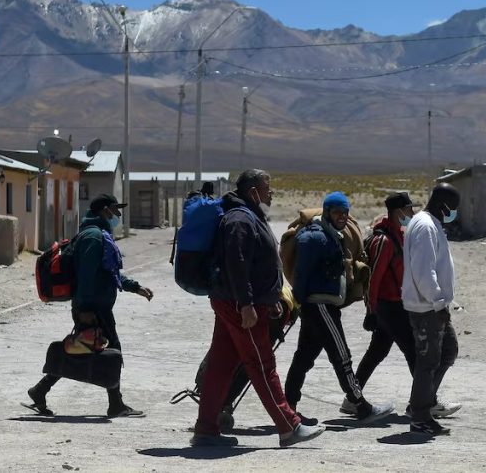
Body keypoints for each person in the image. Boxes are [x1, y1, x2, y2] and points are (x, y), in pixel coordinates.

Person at [191, 169, 324, 447]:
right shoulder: (240, 220)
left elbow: (257, 265)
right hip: (238, 305)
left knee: (221, 365)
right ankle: (289, 426)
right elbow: (237, 265)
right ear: (253, 192)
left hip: (235, 302)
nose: (271, 193)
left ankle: (206, 429)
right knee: (261, 364)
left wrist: (270, 298)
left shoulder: (248, 216)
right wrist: (246, 304)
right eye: (267, 188)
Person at [27, 194, 153, 418]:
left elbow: (109, 272)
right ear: (104, 210)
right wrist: (85, 310)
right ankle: (115, 404)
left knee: (81, 350)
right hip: (93, 307)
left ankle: (40, 390)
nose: (118, 215)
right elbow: (86, 276)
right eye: (115, 210)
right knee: (111, 351)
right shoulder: (93, 237)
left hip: (94, 305)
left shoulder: (97, 234)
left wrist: (134, 287)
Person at [285, 191, 394, 425]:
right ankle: (361, 406)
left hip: (321, 307)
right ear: (327, 213)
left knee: (304, 358)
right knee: (341, 356)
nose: (342, 217)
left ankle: (288, 408)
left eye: (345, 213)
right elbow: (301, 274)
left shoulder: (333, 235)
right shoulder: (313, 238)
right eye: (337, 213)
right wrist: (299, 301)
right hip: (320, 306)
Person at [351, 192, 461, 420]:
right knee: (415, 353)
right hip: (389, 307)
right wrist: (371, 310)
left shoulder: (400, 234)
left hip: (396, 304)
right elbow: (374, 279)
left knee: (377, 352)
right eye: (409, 208)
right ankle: (425, 403)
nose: (412, 212)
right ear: (398, 211)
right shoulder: (384, 241)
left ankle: (353, 397)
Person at [401, 183, 462, 436]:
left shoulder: (429, 223)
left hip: (433, 305)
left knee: (447, 351)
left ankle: (421, 404)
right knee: (428, 362)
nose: (454, 214)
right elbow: (424, 272)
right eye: (453, 208)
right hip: (426, 307)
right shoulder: (425, 226)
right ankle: (420, 416)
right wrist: (437, 302)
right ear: (443, 205)